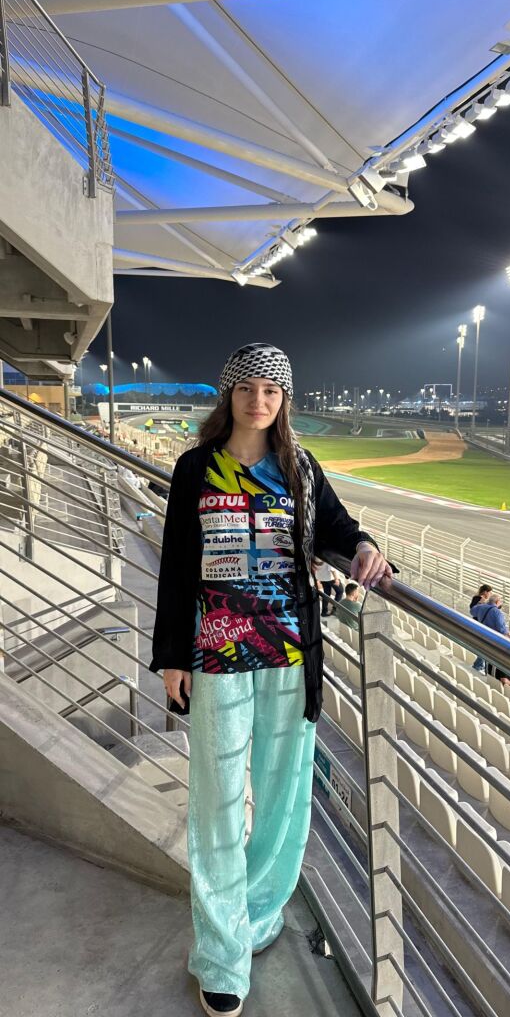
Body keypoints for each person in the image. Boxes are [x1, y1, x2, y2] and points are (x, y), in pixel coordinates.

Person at [150, 343, 393, 1017]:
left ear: (284, 399)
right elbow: (176, 567)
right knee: (218, 804)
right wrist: (172, 656)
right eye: (247, 388)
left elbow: (338, 526)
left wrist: (365, 544)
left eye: (272, 390)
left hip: (288, 655)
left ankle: (255, 916)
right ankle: (220, 955)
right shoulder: (196, 468)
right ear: (228, 395)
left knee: (284, 801)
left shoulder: (299, 467)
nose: (259, 401)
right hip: (215, 655)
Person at [471, 593, 510, 693]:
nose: (501, 603)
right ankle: (480, 669)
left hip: (483, 637)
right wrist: (508, 634)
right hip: (494, 641)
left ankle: (484, 673)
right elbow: (502, 629)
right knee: (492, 659)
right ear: (497, 602)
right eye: (501, 601)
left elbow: (472, 611)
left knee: (487, 659)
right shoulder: (497, 613)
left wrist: (479, 603)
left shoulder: (481, 607)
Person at [469, 583, 492, 671]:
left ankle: (480, 665)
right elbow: (472, 610)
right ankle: (478, 665)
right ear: (485, 592)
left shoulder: (487, 600)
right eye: (490, 592)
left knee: (483, 647)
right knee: (483, 647)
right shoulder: (477, 598)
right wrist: (481, 602)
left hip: (482, 625)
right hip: (479, 625)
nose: (490, 594)